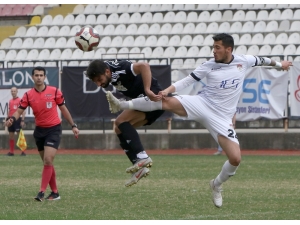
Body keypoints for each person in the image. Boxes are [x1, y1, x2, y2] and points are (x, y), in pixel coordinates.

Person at [105, 33, 292, 207]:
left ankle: (216, 185)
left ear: (228, 49)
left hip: (222, 116)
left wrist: (279, 65)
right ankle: (121, 105)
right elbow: (187, 80)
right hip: (203, 103)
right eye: (213, 47)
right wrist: (168, 90)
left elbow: (263, 60)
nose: (214, 50)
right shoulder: (209, 64)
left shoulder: (244, 60)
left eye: (217, 47)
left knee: (235, 159)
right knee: (166, 101)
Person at [85, 59, 165, 187]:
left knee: (120, 121)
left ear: (107, 71)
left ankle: (142, 156)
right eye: (96, 82)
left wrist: (148, 90)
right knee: (119, 128)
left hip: (152, 98)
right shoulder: (107, 70)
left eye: (99, 80)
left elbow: (144, 66)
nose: (99, 84)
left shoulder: (121, 69)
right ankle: (138, 167)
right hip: (142, 102)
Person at [5, 66, 79, 202]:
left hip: (54, 129)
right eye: (36, 75)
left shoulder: (55, 91)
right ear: (32, 77)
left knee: (48, 160)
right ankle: (55, 193)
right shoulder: (28, 95)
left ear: (45, 77)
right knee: (47, 163)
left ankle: (41, 192)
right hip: (39, 131)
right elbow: (19, 111)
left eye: (41, 75)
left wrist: (73, 125)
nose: (39, 77)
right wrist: (12, 119)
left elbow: (64, 109)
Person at [5, 87, 26, 156]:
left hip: (17, 120)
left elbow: (23, 111)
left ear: (17, 92)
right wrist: (7, 119)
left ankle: (23, 151)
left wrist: (22, 120)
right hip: (10, 120)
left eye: (14, 91)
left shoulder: (20, 100)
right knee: (11, 136)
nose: (13, 92)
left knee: (19, 136)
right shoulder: (10, 101)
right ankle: (11, 152)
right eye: (12, 91)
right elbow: (10, 110)